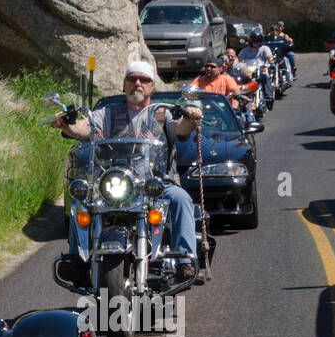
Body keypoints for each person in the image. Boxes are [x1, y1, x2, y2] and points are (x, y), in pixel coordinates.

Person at [51, 60, 203, 281]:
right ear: (124, 84)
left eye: (144, 80)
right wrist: (65, 123)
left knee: (180, 198)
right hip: (113, 184)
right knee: (81, 199)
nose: (137, 83)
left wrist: (191, 116)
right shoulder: (106, 114)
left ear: (152, 87)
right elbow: (83, 128)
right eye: (132, 79)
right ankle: (77, 259)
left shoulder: (161, 114)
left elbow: (181, 129)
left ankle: (185, 261)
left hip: (155, 184)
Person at [238, 32, 275, 105]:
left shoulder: (265, 48)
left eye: (258, 41)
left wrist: (272, 63)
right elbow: (239, 60)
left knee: (264, 76)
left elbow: (269, 57)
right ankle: (240, 95)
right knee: (240, 78)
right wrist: (238, 65)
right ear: (250, 41)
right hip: (248, 70)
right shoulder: (245, 50)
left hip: (260, 69)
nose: (256, 43)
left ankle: (268, 97)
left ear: (260, 41)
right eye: (254, 41)